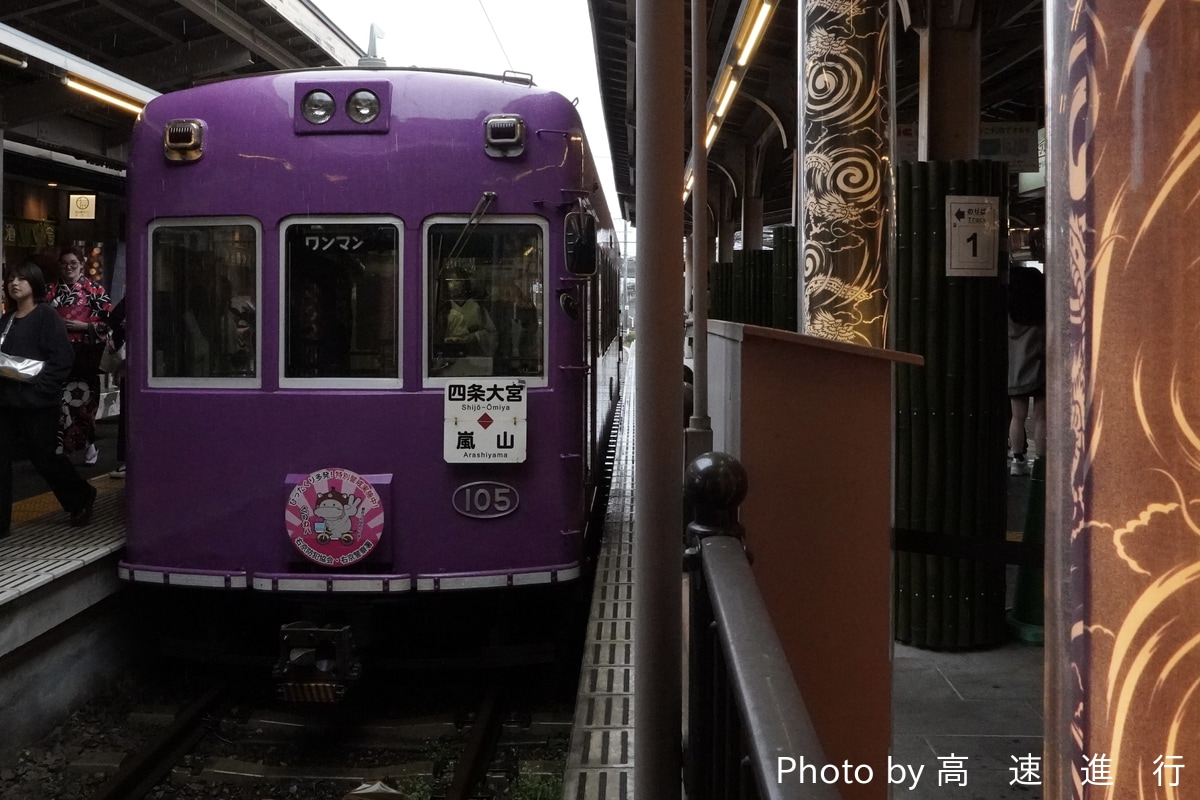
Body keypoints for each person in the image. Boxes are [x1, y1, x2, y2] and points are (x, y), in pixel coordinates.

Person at [0, 262, 97, 537]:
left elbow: (63, 358)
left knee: (43, 458)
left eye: (21, 278)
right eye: (11, 279)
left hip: (37, 404)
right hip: (6, 402)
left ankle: (81, 496)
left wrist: (41, 389)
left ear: (35, 283)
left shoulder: (46, 316)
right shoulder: (7, 320)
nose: (14, 283)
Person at [47, 245, 112, 465]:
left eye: (73, 263)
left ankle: (89, 445)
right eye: (64, 263)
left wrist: (85, 326)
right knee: (59, 402)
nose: (69, 268)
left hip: (84, 354)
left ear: (82, 265)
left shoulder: (94, 289)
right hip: (58, 353)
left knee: (84, 402)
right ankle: (59, 448)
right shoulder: (50, 290)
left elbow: (108, 321)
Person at [1007, 258, 1046, 477]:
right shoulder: (1042, 315)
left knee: (1017, 417)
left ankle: (1017, 460)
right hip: (1040, 370)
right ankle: (1041, 462)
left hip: (1016, 371)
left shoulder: (1010, 317)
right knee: (1041, 418)